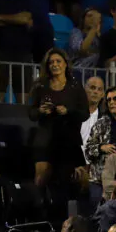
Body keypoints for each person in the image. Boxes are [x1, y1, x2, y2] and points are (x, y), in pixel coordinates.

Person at [28, 48, 88, 220]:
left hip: (67, 141)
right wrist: (40, 111)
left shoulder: (75, 87)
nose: (54, 65)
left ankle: (64, 221)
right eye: (51, 62)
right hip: (45, 139)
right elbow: (31, 114)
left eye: (58, 61)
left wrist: (67, 111)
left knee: (68, 182)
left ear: (65, 64)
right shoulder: (40, 86)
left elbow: (84, 113)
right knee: (41, 179)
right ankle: (37, 218)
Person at [0, 0, 33, 103]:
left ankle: (22, 121)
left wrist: (1, 17)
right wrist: (17, 19)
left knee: (23, 99)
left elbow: (25, 18)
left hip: (23, 52)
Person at [79, 76, 104, 164]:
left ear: (102, 94)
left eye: (99, 89)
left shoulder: (105, 118)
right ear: (84, 90)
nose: (96, 92)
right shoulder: (74, 113)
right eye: (92, 88)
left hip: (95, 164)